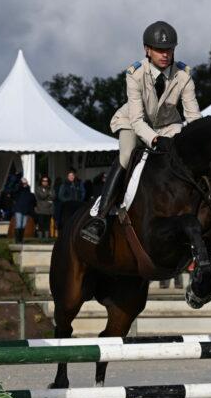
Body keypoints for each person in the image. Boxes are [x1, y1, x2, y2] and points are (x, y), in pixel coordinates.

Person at [80, 20, 200, 244]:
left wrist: (197, 141)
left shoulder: (184, 75)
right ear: (147, 50)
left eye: (170, 50)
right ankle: (101, 215)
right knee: (126, 156)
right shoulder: (134, 74)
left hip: (168, 124)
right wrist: (154, 139)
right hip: (133, 122)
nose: (165, 55)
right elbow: (136, 119)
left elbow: (192, 116)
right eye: (160, 50)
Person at [12, 178, 36, 243]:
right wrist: (20, 184)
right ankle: (17, 240)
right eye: (23, 183)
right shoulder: (18, 191)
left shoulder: (29, 192)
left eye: (26, 183)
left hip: (26, 210)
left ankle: (20, 239)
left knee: (23, 225)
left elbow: (33, 202)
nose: (25, 184)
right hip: (18, 209)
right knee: (19, 224)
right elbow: (14, 193)